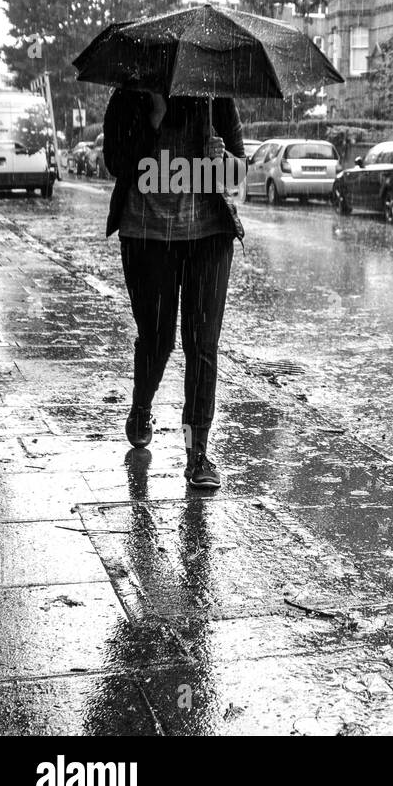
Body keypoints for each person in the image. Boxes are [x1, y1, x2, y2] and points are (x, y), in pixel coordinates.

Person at [102, 88, 245, 489]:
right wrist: (151, 121)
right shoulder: (129, 97)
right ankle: (141, 406)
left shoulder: (215, 97)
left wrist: (224, 162)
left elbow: (238, 170)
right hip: (146, 235)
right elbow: (115, 162)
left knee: (202, 344)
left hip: (209, 235)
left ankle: (196, 451)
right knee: (158, 339)